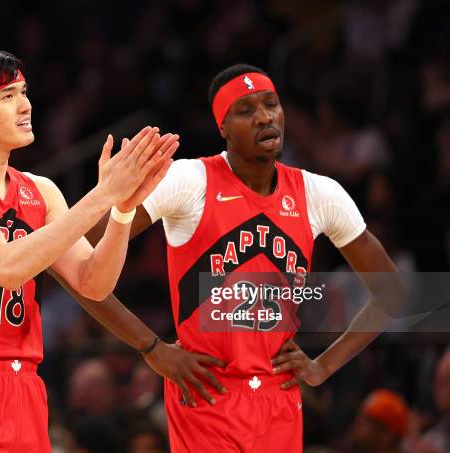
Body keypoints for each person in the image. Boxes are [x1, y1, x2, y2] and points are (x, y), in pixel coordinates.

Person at [81, 63, 400, 452]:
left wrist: (324, 366)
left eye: (271, 104)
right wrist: (151, 347)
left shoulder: (318, 193)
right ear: (223, 128)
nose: (264, 116)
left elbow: (391, 293)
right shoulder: (189, 181)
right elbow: (79, 258)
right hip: (205, 392)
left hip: (279, 397)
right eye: (245, 110)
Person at [0, 48, 179, 452]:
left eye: (24, 92)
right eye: (8, 96)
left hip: (25, 386)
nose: (26, 105)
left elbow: (94, 283)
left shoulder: (41, 191)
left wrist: (122, 209)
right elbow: (6, 267)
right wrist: (102, 195)